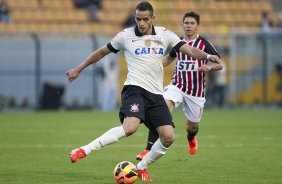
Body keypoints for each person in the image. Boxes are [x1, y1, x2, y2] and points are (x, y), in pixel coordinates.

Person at [67, 2, 220, 181]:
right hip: (134, 89)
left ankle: (141, 167)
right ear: (135, 18)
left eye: (145, 19)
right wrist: (79, 68)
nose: (141, 23)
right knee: (130, 127)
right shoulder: (125, 36)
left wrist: (208, 56)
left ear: (152, 18)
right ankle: (84, 150)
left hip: (155, 94)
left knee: (168, 136)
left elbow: (190, 50)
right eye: (138, 19)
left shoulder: (165, 34)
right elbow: (102, 52)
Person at [135, 11, 223, 160]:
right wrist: (151, 65)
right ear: (182, 25)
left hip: (195, 92)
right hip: (177, 86)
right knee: (161, 109)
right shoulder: (178, 42)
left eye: (192, 23)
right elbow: (168, 59)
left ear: (197, 26)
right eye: (186, 23)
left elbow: (219, 65)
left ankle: (191, 138)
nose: (188, 26)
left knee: (192, 127)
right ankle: (148, 149)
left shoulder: (204, 44)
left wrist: (209, 67)